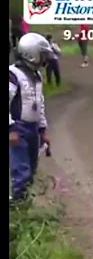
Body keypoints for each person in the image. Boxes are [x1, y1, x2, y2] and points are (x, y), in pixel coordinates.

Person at [9, 33, 53, 203]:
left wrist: (43, 129)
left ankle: (24, 204)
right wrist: (11, 128)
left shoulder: (37, 76)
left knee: (31, 170)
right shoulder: (13, 74)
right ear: (31, 54)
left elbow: (39, 103)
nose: (44, 60)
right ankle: (18, 207)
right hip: (18, 128)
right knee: (21, 171)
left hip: (32, 129)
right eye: (42, 55)